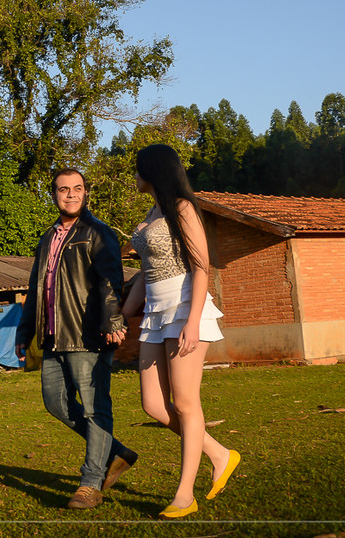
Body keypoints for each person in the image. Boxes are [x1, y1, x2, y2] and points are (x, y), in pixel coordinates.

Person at [120, 144, 241, 519]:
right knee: (154, 405)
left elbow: (201, 266)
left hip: (186, 309)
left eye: (138, 170)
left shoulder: (184, 208)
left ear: (153, 171)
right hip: (156, 312)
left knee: (186, 404)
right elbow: (146, 271)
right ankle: (220, 454)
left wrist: (192, 320)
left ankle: (184, 494)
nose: (135, 176)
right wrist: (124, 312)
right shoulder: (152, 210)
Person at [15, 167, 139, 510]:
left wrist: (113, 319)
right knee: (55, 402)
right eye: (63, 189)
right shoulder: (47, 237)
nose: (71, 194)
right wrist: (25, 332)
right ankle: (115, 451)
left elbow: (110, 281)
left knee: (96, 410)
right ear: (53, 194)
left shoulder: (98, 233)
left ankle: (90, 483)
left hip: (88, 335)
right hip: (54, 336)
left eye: (77, 188)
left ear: (86, 193)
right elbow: (36, 289)